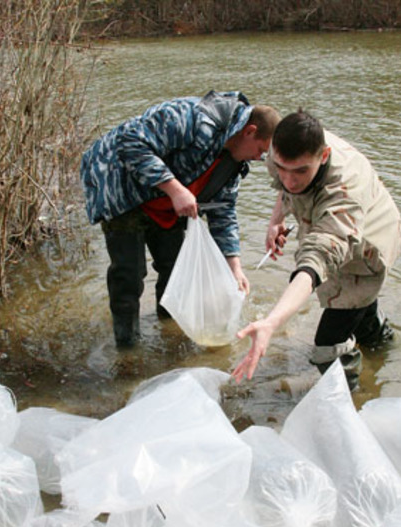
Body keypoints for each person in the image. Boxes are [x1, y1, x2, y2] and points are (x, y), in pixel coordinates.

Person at [81, 91, 280, 348]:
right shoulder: (193, 117)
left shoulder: (234, 165)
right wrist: (175, 188)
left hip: (168, 205)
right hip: (122, 190)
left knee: (175, 269)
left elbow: (224, 212)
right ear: (250, 132)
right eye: (261, 151)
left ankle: (170, 335)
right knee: (129, 274)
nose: (258, 158)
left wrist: (235, 266)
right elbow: (129, 142)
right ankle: (127, 348)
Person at [231, 110, 401, 389]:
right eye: (281, 168)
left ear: (323, 156)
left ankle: (354, 400)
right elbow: (286, 187)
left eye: (300, 171)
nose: (289, 180)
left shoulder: (345, 190)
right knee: (360, 314)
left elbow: (316, 261)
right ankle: (384, 350)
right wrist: (277, 220)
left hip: (368, 245)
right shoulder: (284, 153)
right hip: (328, 230)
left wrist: (271, 323)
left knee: (328, 345)